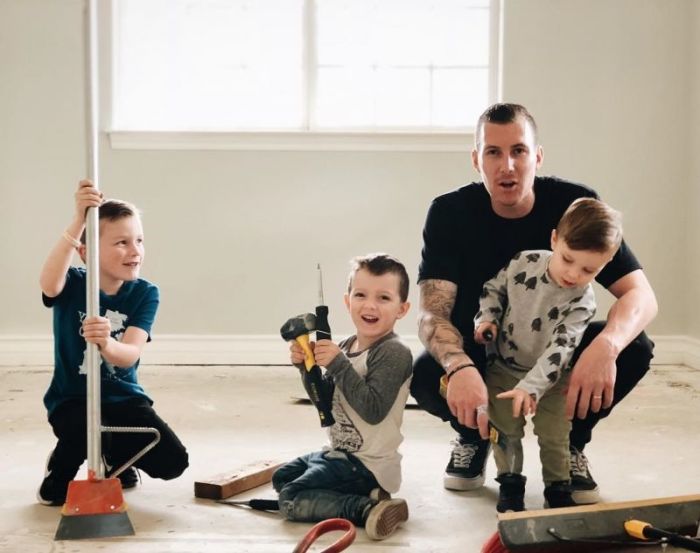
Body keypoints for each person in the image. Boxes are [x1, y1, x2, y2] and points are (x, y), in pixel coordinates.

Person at [411, 102, 657, 505]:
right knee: (424, 371)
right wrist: (459, 366)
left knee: (636, 348)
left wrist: (606, 346)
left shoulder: (575, 204)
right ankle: (476, 437)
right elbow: (431, 311)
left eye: (519, 151)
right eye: (493, 152)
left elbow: (641, 295)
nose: (507, 165)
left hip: (559, 350)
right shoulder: (448, 212)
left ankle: (571, 444)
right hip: (487, 349)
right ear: (477, 160)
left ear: (537, 156)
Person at [37, 179, 189, 506]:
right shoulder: (72, 284)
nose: (135, 251)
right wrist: (79, 218)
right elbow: (48, 284)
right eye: (122, 242)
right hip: (73, 401)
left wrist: (106, 344)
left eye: (139, 240)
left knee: (173, 463)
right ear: (86, 251)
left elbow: (129, 354)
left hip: (123, 399)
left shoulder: (146, 293)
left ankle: (115, 457)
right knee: (80, 435)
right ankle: (61, 466)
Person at [474, 198, 621, 511]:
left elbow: (560, 349)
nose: (573, 273)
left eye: (588, 269)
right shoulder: (523, 262)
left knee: (555, 436)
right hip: (503, 368)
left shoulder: (583, 301)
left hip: (552, 380)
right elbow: (492, 289)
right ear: (555, 239)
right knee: (506, 432)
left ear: (605, 265)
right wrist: (486, 317)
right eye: (567, 259)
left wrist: (532, 387)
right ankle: (510, 484)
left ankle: (558, 487)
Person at [279, 253, 412, 540]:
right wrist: (306, 368)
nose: (370, 305)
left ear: (402, 309)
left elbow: (373, 410)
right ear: (347, 301)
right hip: (340, 453)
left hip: (368, 463)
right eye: (360, 294)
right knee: (281, 478)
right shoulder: (345, 346)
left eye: (384, 298)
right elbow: (324, 403)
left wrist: (338, 364)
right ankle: (373, 496)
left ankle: (365, 509)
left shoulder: (394, 352)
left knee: (291, 497)